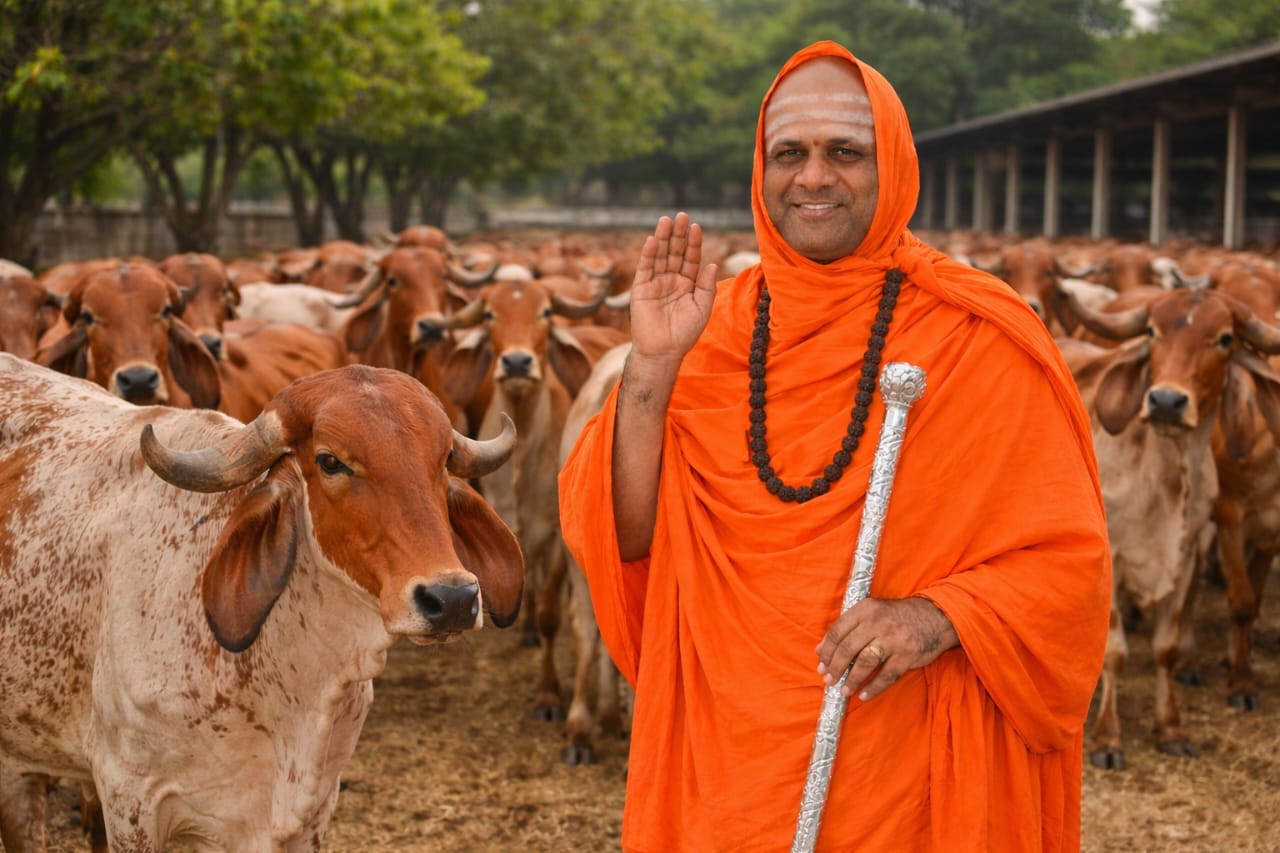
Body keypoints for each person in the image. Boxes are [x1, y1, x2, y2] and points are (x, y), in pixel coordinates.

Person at [559, 40, 1111, 853]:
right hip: (729, 762)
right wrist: (651, 364)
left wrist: (938, 616)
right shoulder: (710, 328)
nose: (813, 177)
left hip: (909, 763)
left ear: (893, 166)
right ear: (760, 168)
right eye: (790, 153)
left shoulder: (976, 334)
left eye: (845, 152)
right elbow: (627, 538)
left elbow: (1069, 565)